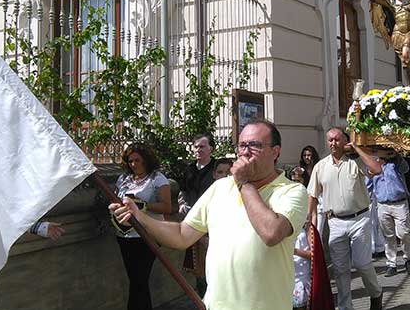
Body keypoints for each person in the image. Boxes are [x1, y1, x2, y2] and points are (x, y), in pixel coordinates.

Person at [111, 120, 308, 310]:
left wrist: (244, 183)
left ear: (275, 151)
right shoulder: (221, 187)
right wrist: (140, 217)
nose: (245, 151)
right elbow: (181, 235)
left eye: (255, 145)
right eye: (241, 145)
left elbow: (271, 233)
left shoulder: (292, 191)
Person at [307, 127, 384, 310]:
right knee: (340, 269)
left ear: (345, 141)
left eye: (337, 139)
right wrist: (311, 224)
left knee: (362, 263)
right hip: (335, 222)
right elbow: (313, 195)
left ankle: (376, 293)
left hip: (360, 219)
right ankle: (345, 307)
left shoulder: (355, 162)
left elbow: (376, 169)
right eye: (330, 140)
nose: (333, 143)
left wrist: (357, 149)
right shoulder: (321, 166)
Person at [114, 143, 171, 310]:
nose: (133, 164)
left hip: (147, 235)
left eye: (137, 160)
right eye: (130, 161)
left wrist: (143, 206)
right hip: (125, 235)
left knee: (140, 278)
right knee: (135, 279)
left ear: (146, 160)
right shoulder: (123, 179)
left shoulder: (157, 178)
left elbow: (167, 206)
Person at [179, 133, 218, 296]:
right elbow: (183, 190)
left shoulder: (218, 168)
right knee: (198, 268)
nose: (198, 150)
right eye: (196, 146)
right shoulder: (189, 169)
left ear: (211, 148)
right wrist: (182, 204)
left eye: (202, 146)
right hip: (194, 222)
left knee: (215, 265)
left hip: (214, 223)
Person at [369, 149, 410, 277]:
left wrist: (397, 155)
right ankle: (391, 263)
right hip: (383, 204)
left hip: (399, 203)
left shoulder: (397, 164)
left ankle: (408, 259)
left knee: (404, 233)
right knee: (388, 236)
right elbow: (368, 184)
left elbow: (406, 168)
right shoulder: (375, 165)